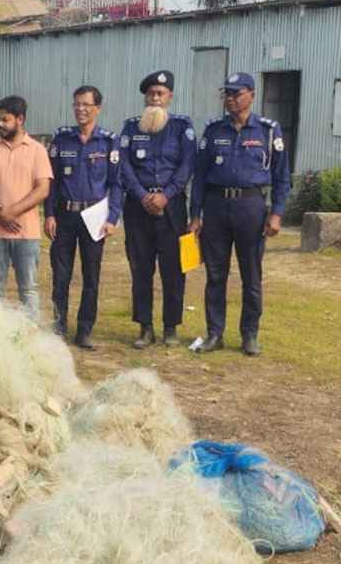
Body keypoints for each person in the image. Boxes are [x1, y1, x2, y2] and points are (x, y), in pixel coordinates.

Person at [190, 72, 290, 356]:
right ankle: (215, 333)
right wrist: (195, 215)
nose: (231, 99)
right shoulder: (213, 130)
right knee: (216, 275)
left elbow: (282, 176)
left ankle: (249, 335)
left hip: (251, 208)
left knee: (251, 275)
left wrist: (277, 214)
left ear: (251, 95)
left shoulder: (268, 130)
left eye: (237, 93)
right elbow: (199, 176)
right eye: (227, 94)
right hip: (216, 207)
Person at [118, 70, 196, 349]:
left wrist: (166, 195)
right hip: (138, 209)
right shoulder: (130, 128)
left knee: (174, 270)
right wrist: (142, 196)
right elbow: (123, 166)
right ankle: (145, 328)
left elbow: (187, 166)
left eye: (160, 94)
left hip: (172, 208)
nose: (155, 98)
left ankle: (171, 328)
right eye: (151, 93)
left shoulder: (182, 128)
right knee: (140, 269)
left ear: (169, 97)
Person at [46, 85, 121, 349]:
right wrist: (49, 214)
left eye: (86, 105)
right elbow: (51, 182)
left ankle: (85, 330)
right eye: (77, 104)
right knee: (61, 276)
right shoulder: (61, 140)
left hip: (94, 218)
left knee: (91, 276)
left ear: (97, 108)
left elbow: (116, 184)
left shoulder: (109, 142)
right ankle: (59, 326)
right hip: (65, 215)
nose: (80, 109)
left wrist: (112, 218)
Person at [0, 95, 52, 321]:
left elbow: (42, 189)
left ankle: (31, 338)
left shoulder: (37, 150)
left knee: (28, 288)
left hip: (26, 232)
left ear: (20, 119)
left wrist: (12, 212)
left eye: (5, 120)